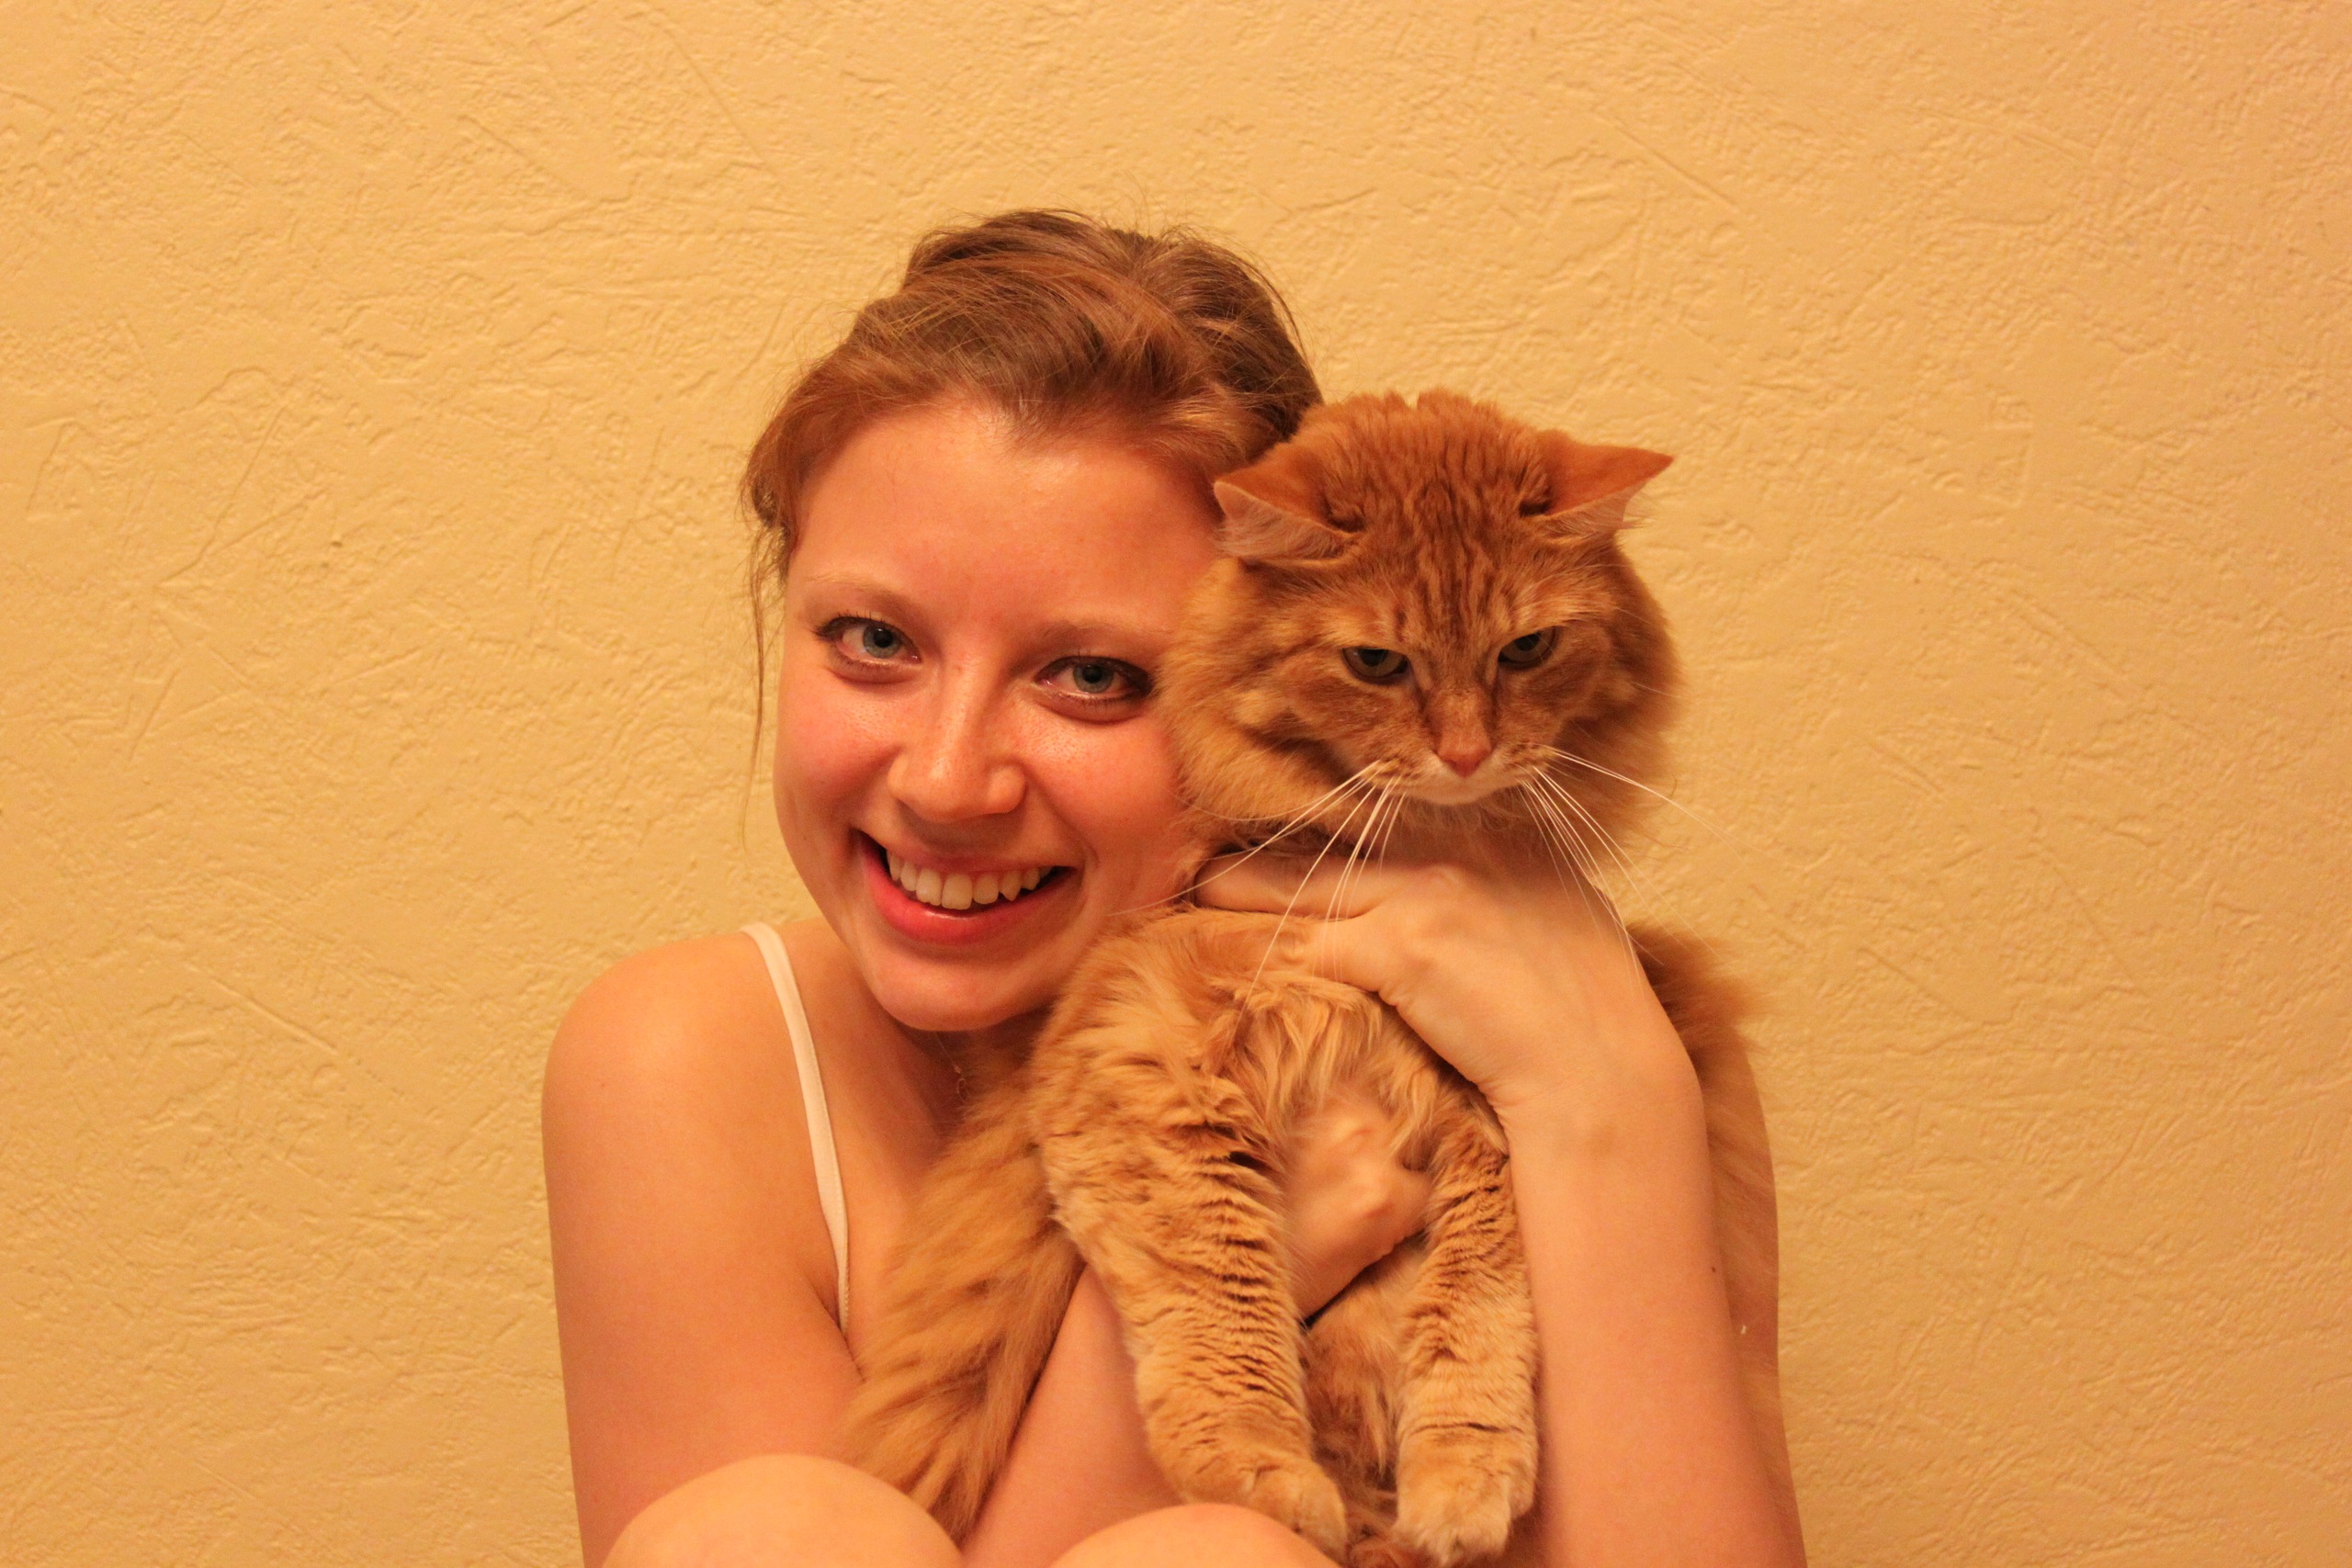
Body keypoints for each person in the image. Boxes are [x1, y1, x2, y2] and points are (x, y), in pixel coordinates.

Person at [543, 209, 1804, 1568]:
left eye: (1092, 676)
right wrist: (1224, 1269)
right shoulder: (694, 1060)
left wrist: (1601, 1090)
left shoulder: (1590, 1020)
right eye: (872, 640)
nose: (950, 780)